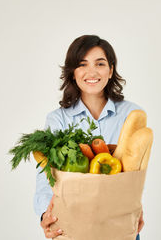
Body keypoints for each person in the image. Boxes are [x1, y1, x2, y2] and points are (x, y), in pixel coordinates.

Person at [33, 35, 144, 240]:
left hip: (118, 226)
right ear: (73, 73)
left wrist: (135, 206)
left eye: (100, 64)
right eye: (82, 65)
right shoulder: (58, 119)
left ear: (111, 70)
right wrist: (45, 214)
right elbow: (46, 177)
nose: (91, 72)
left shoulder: (131, 115)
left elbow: (135, 173)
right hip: (72, 226)